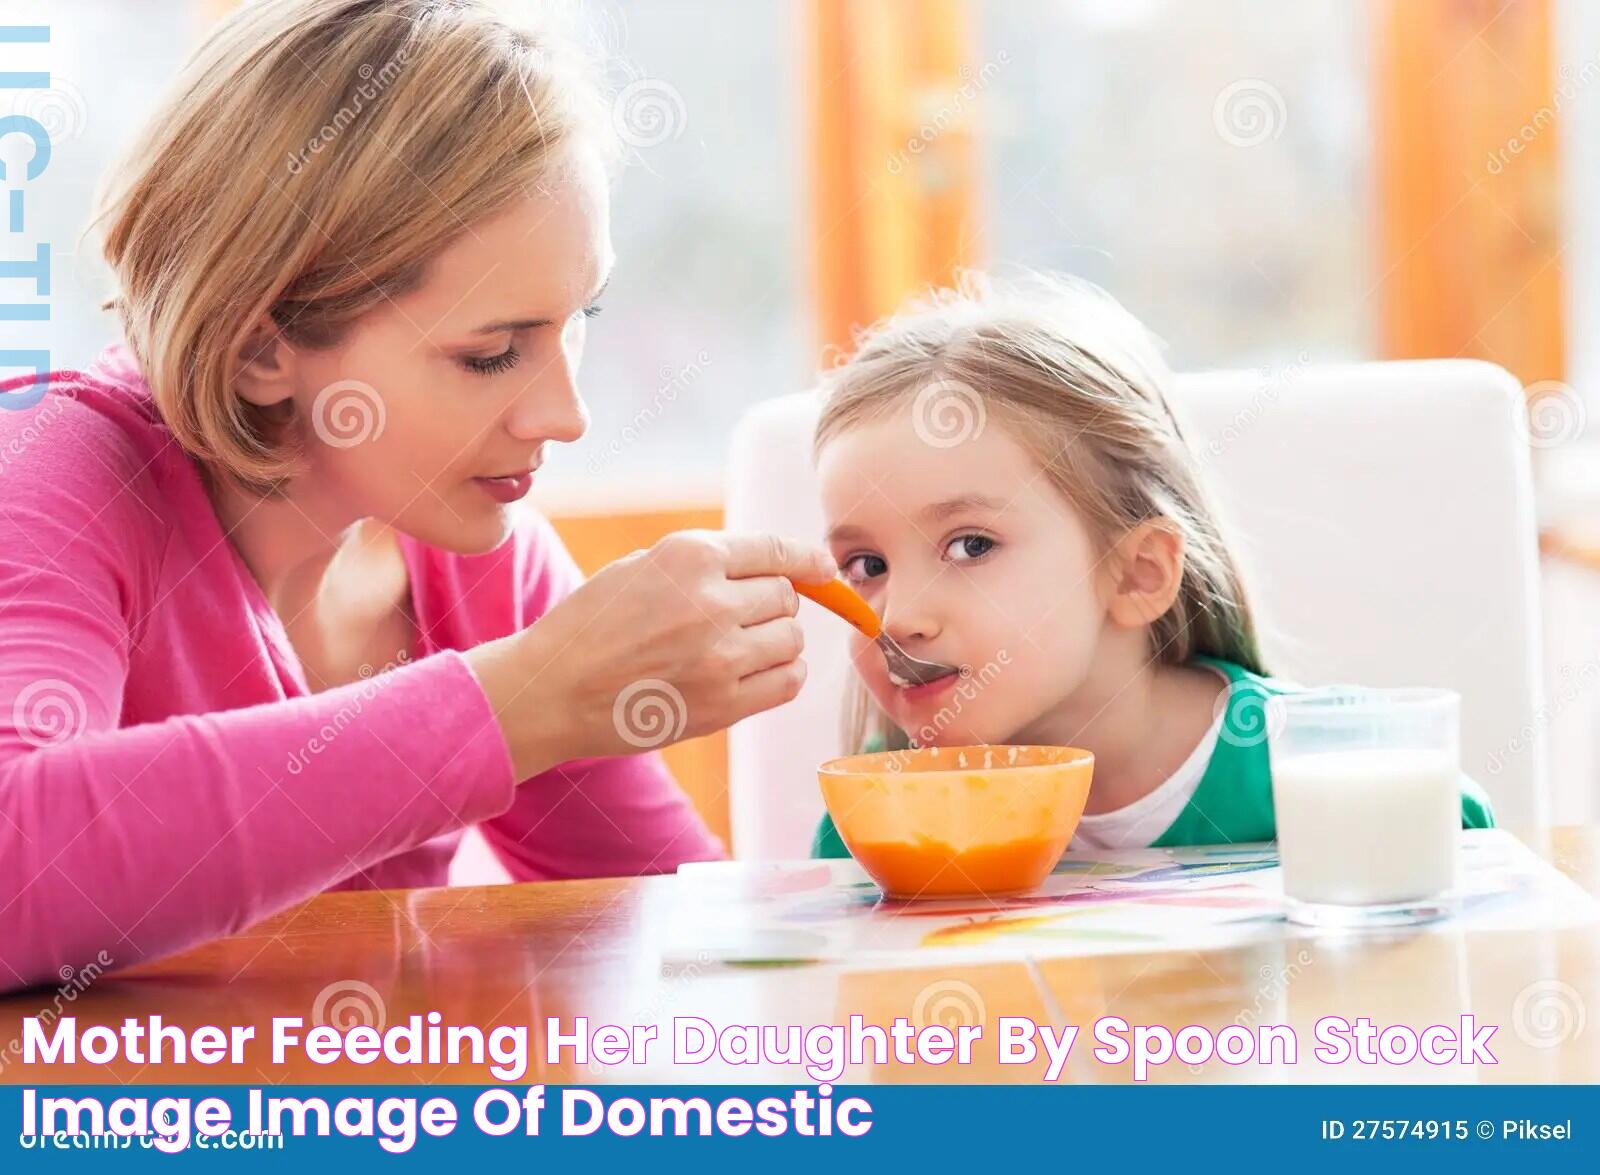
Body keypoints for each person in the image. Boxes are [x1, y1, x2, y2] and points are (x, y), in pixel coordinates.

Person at [0, 0, 835, 991]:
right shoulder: (53, 469)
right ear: (261, 345)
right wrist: (521, 701)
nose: (565, 416)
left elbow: (686, 927)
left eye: (576, 320)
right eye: (492, 354)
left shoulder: (477, 555)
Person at [809, 272, 1492, 861]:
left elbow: (1462, 862)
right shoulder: (875, 820)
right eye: (866, 564)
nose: (897, 618)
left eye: (971, 546)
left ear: (1138, 573)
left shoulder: (1322, 772)